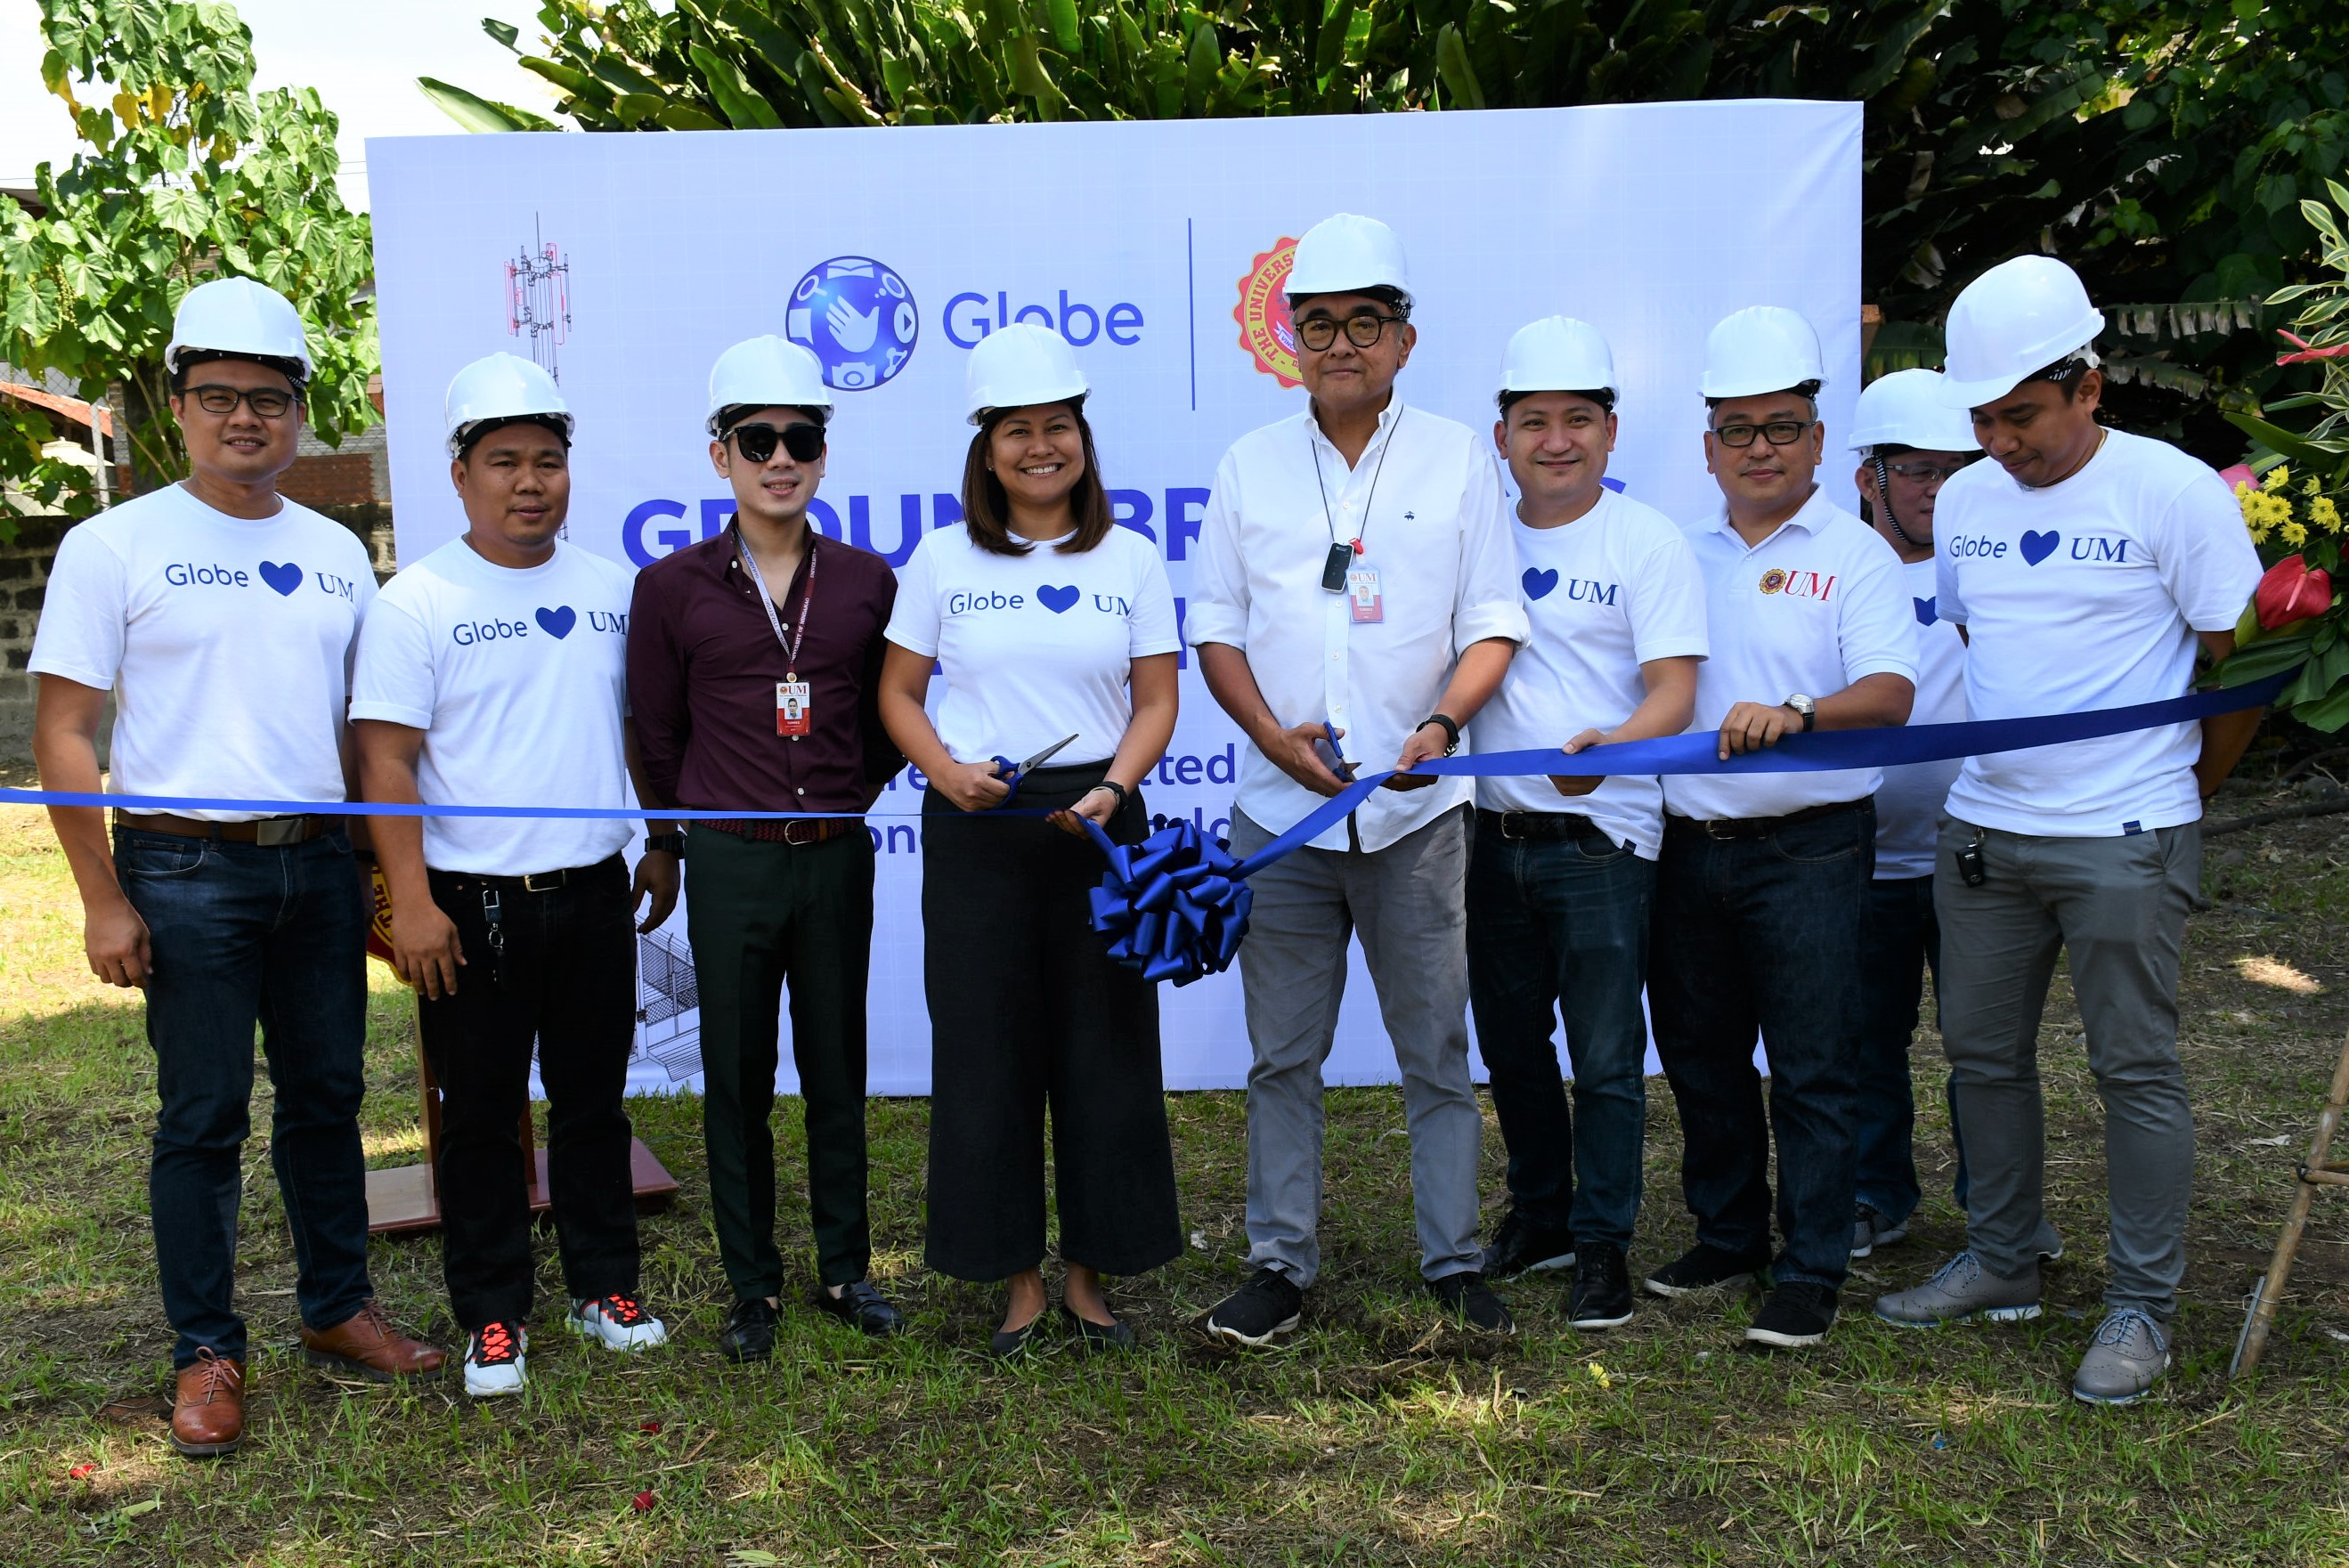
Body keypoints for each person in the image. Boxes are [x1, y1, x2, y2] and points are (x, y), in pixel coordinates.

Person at [28, 277, 444, 1458]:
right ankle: (206, 1350)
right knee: (202, 1119)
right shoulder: (113, 543)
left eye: (269, 398)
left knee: (327, 1103)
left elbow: (365, 729)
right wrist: (102, 896)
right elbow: (64, 731)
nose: (246, 419)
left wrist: (373, 877)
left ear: (301, 410)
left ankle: (336, 1308)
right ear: (177, 406)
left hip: (313, 866)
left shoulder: (334, 555)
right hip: (183, 870)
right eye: (219, 398)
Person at [1874, 256, 2264, 1405]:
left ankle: (2139, 1304)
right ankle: (2005, 1257)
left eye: (2022, 415)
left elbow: (2228, 662)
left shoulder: (2173, 491)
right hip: (1985, 832)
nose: (1999, 441)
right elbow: (1978, 643)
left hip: (2125, 836)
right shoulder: (1969, 502)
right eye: (1982, 419)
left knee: (2132, 1068)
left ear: (2088, 386)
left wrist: (2182, 787)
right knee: (1981, 1058)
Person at [1188, 213, 1528, 1345]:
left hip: (1416, 816)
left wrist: (1439, 724)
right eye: (1319, 324)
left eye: (1364, 324)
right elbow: (1218, 633)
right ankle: (1278, 1265)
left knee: (1435, 1049)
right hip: (1280, 820)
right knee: (1282, 1055)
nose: (1341, 344)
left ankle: (1452, 1261)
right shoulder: (1249, 465)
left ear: (1403, 339)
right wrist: (1272, 738)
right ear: (1290, 337)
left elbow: (1490, 625)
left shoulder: (1457, 460)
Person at [353, 353, 679, 1398]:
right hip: (469, 909)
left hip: (589, 892)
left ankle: (604, 1289)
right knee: (483, 1115)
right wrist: (409, 902)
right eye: (504, 462)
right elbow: (386, 758)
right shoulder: (420, 601)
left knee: (593, 1103)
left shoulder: (611, 590)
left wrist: (661, 840)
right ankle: (494, 1315)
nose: (530, 482)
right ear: (460, 475)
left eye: (548, 461)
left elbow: (637, 729)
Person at [877, 323, 1183, 1356]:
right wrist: (944, 771)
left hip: (1100, 823)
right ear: (987, 448)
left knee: (1104, 1051)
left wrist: (1113, 786)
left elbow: (1154, 700)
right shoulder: (941, 557)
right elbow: (898, 693)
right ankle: (1015, 1283)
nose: (1040, 447)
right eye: (1017, 431)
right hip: (978, 823)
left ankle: (1093, 1280)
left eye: (1058, 427)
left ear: (1082, 439)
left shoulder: (1130, 556)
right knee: (985, 1054)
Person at [1643, 306, 1918, 1351]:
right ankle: (1728, 1234)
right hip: (1687, 844)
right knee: (1702, 1055)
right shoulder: (1674, 548)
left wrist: (1798, 716)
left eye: (1781, 428)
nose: (1759, 449)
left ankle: (1810, 1267)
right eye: (1737, 430)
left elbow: (1890, 693)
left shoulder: (1855, 554)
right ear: (1707, 444)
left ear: (1816, 436)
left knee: (1812, 1064)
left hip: (1810, 845)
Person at [627, 337, 906, 1360]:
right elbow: (653, 731)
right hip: (730, 859)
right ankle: (753, 1286)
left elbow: (888, 719)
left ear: (823, 452)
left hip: (834, 853)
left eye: (800, 438)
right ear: (721, 456)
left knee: (838, 1066)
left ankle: (845, 1269)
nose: (779, 457)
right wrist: (669, 838)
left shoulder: (871, 583)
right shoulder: (673, 588)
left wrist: (843, 795)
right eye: (758, 440)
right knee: (734, 1074)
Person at [1465, 317, 1705, 1332]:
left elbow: (1675, 694)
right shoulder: (1473, 532)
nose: (1554, 440)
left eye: (1576, 421)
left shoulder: (1643, 539)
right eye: (1533, 422)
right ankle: (1540, 1215)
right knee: (1512, 1048)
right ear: (1501, 435)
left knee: (1605, 1058)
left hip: (1603, 842)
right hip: (1488, 836)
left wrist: (1607, 751)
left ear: (1610, 433)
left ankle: (1602, 1243)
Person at [1842, 369, 1979, 1262]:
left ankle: (1998, 1210)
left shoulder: (1992, 563)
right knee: (1862, 1040)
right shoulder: (1830, 566)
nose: (1938, 489)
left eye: (1954, 469)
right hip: (1857, 856)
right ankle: (1873, 1194)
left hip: (1975, 850)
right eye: (1919, 471)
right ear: (1870, 479)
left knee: (1983, 1042)